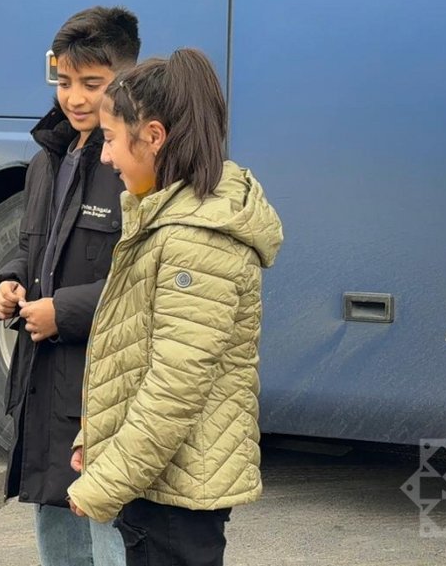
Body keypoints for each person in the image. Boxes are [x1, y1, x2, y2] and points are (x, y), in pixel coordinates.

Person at [66, 49, 283, 566]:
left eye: (111, 139)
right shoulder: (170, 221)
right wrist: (96, 437)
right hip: (163, 480)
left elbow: (174, 387)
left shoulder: (194, 240)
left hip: (174, 495)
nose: (106, 157)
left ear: (154, 137)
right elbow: (135, 354)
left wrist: (105, 481)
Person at [0, 6, 139, 566]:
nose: (74, 98)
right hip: (45, 383)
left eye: (92, 84)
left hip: (104, 386)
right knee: (57, 530)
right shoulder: (48, 158)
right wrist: (8, 284)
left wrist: (61, 311)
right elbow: (33, 250)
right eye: (64, 82)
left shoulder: (132, 164)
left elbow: (143, 283)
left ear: (127, 76)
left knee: (109, 534)